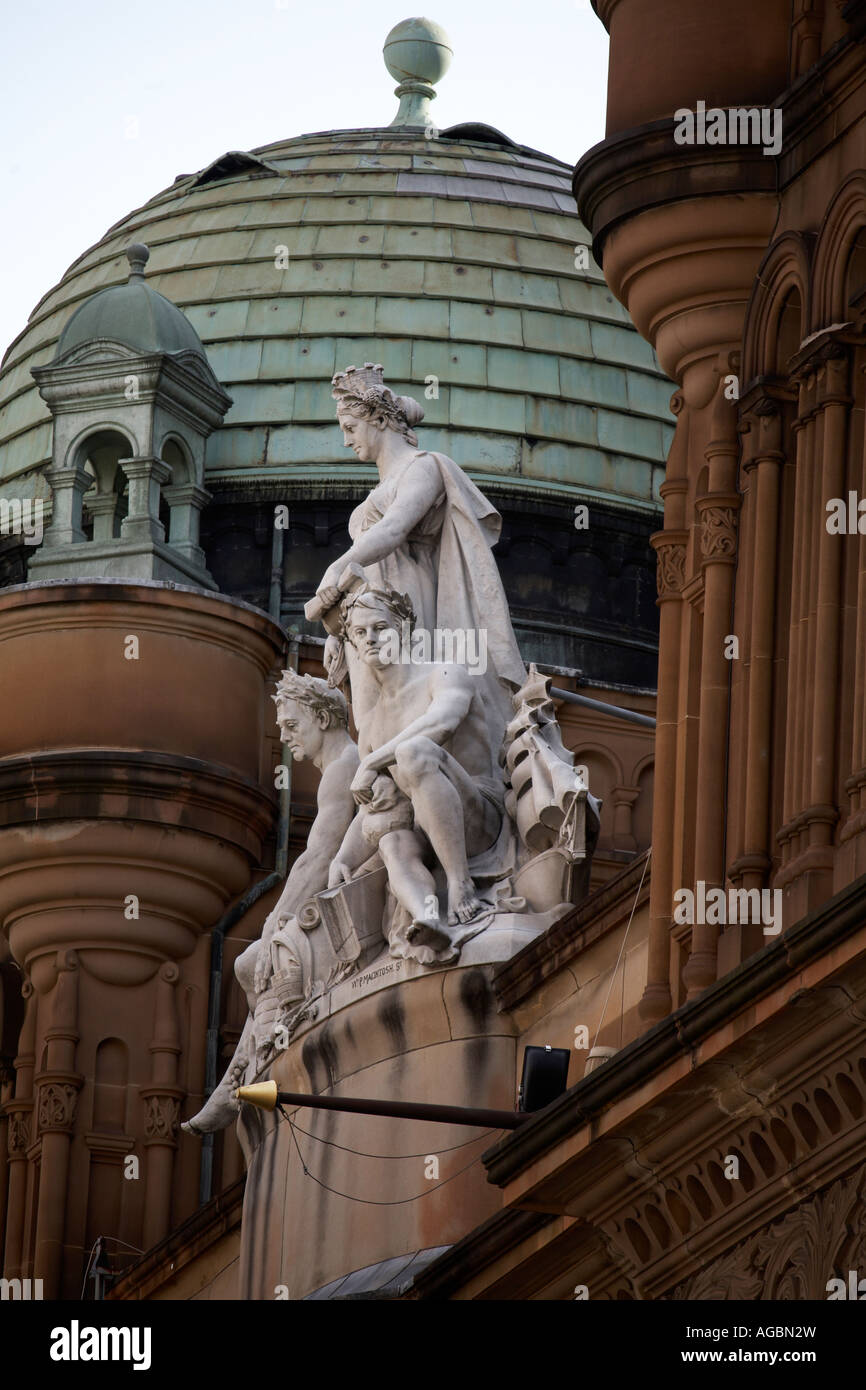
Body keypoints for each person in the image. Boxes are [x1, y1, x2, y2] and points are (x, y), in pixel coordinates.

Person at [182, 672, 358, 1135]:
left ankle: (242, 1077)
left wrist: (274, 926)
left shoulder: (345, 765)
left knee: (254, 962)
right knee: (252, 964)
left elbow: (319, 856)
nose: (284, 735)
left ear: (322, 717)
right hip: (335, 899)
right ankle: (243, 1075)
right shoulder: (338, 767)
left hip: (350, 903)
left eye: (292, 724)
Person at [311, 363, 525, 727]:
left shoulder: (423, 467)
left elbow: (394, 528)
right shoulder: (380, 488)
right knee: (370, 722)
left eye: (350, 428)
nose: (346, 440)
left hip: (404, 605)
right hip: (367, 615)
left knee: (407, 713)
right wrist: (340, 627)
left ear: (378, 419)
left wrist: (336, 567)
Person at [328, 583, 508, 954]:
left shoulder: (443, 673)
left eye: (381, 628)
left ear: (404, 629)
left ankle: (460, 883)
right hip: (422, 826)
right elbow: (372, 809)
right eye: (360, 633)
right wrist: (343, 858)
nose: (371, 639)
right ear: (354, 645)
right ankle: (428, 916)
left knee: (413, 752)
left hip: (478, 816)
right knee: (392, 839)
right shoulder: (373, 725)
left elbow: (442, 722)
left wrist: (375, 761)